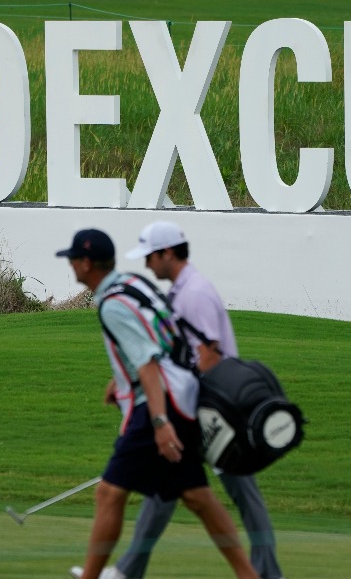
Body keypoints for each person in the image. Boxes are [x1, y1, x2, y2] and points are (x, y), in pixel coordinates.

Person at [57, 228, 260, 579]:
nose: (71, 264)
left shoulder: (112, 305)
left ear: (87, 264)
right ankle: (250, 576)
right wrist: (121, 381)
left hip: (159, 405)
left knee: (109, 494)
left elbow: (149, 362)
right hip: (179, 395)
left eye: (74, 259)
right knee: (198, 498)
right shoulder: (134, 284)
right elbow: (167, 338)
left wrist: (159, 422)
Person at [97, 221, 287, 579]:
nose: (148, 265)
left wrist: (188, 411)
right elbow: (169, 350)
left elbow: (208, 355)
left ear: (168, 253)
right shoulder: (180, 291)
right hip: (199, 407)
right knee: (169, 488)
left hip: (217, 411)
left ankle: (268, 573)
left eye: (151, 257)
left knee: (241, 494)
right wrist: (125, 379)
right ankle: (127, 570)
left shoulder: (194, 293)